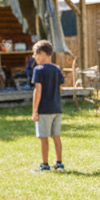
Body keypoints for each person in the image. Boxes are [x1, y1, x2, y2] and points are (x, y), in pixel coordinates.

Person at [30, 40, 66, 172]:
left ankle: (45, 165)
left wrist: (35, 111)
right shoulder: (56, 69)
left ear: (44, 54)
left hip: (44, 110)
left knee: (44, 137)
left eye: (36, 54)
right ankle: (59, 163)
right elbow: (60, 87)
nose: (34, 57)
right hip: (57, 109)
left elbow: (37, 91)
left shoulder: (38, 70)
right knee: (56, 136)